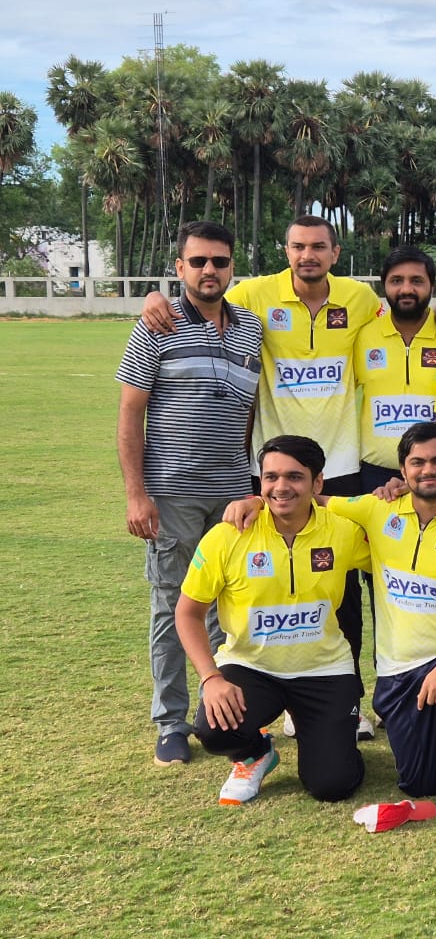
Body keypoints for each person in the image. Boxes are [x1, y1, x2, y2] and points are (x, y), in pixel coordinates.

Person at [143, 216, 436, 739]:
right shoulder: (254, 294)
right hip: (275, 474)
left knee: (349, 591)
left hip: (345, 470)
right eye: (297, 246)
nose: (307, 255)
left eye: (318, 247)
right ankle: (284, 698)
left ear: (335, 253)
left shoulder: (360, 299)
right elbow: (202, 293)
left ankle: (353, 701)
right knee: (278, 585)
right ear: (285, 251)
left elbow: (408, 310)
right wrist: (156, 297)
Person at [221, 423, 436, 827]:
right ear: (402, 471)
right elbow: (309, 497)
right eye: (417, 462)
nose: (428, 470)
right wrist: (256, 499)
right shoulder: (376, 509)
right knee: (421, 783)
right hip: (401, 667)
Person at [116, 220, 262, 766]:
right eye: (197, 261)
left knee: (230, 606)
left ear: (232, 268)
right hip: (172, 493)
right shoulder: (157, 325)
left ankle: (224, 712)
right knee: (172, 605)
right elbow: (130, 413)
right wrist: (137, 494)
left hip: (232, 493)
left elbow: (248, 414)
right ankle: (171, 722)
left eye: (219, 261)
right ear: (180, 268)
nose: (209, 270)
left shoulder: (251, 328)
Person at [175, 436, 371, 805]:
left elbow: (400, 543)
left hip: (324, 669)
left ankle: (326, 737)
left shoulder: (342, 531)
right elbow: (188, 613)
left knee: (332, 785)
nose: (281, 487)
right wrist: (211, 678)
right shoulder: (228, 535)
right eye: (271, 477)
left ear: (317, 482)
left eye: (295, 477)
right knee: (213, 729)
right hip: (252, 667)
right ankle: (255, 753)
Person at [353, 246, 436, 493]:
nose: (406, 289)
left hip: (435, 471)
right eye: (396, 281)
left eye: (417, 281)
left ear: (432, 285)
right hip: (374, 472)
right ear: (384, 286)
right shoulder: (362, 336)